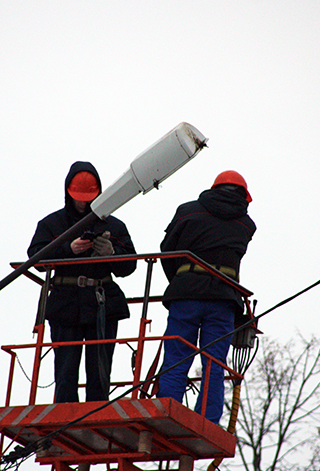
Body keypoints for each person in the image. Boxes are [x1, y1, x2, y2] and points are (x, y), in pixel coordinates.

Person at [28, 161, 137, 403]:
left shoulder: (114, 226)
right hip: (66, 303)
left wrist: (111, 253)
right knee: (65, 372)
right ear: (68, 192)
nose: (84, 203)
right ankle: (66, 413)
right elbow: (35, 258)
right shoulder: (52, 224)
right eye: (79, 197)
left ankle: (96, 411)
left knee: (99, 371)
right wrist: (69, 249)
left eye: (89, 197)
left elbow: (129, 265)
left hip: (102, 302)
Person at [157, 170, 256, 423]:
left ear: (214, 188)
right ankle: (208, 419)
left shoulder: (188, 211)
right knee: (214, 361)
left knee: (177, 354)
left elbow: (167, 250)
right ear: (244, 196)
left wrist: (180, 280)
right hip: (223, 299)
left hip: (187, 294)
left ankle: (167, 411)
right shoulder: (246, 225)